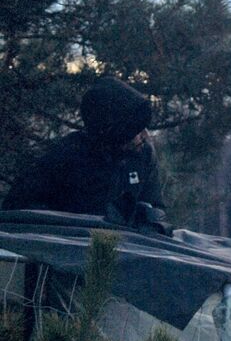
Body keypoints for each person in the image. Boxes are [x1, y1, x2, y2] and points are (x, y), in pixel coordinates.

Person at [2, 78, 166, 231]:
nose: (144, 136)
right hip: (67, 251)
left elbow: (155, 206)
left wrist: (148, 218)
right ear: (116, 131)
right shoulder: (68, 154)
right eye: (135, 130)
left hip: (122, 252)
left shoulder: (142, 156)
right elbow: (17, 206)